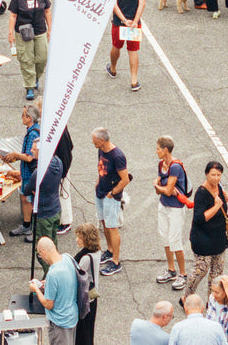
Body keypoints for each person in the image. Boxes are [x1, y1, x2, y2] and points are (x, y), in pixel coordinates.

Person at [151, 136, 190, 290]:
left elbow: (165, 190)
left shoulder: (175, 167)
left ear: (165, 149)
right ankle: (171, 270)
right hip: (164, 205)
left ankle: (183, 274)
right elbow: (162, 189)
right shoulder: (161, 164)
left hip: (176, 208)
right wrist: (160, 187)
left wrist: (158, 187)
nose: (156, 151)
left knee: (175, 240)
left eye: (158, 149)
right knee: (165, 239)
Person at [186, 163, 228, 297]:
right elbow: (199, 218)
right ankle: (187, 296)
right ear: (206, 174)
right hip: (203, 239)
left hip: (218, 238)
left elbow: (225, 200)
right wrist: (217, 206)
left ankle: (212, 300)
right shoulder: (201, 193)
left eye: (218, 175)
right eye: (213, 175)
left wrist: (223, 200)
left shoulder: (219, 187)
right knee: (201, 270)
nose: (216, 178)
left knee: (217, 272)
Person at [0, 104, 42, 237]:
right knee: (25, 198)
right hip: (27, 172)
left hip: (29, 173)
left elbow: (29, 157)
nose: (21, 117)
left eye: (23, 115)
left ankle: (29, 227)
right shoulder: (32, 130)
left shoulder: (33, 133)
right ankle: (27, 224)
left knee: (28, 199)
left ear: (29, 118)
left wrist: (16, 155)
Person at [91, 128, 130, 276]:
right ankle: (109, 250)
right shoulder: (101, 150)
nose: (92, 142)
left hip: (110, 197)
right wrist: (98, 181)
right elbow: (101, 168)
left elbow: (125, 179)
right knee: (104, 223)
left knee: (112, 226)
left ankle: (115, 261)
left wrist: (112, 193)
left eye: (94, 140)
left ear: (102, 140)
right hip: (100, 192)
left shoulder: (117, 156)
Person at [7, 0, 51, 100]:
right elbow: (13, 16)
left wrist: (50, 29)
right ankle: (29, 86)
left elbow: (47, 11)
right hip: (23, 32)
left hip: (39, 30)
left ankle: (36, 76)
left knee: (42, 58)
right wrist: (11, 34)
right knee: (27, 59)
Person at [34, 237, 80, 345]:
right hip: (72, 316)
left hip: (60, 322)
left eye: (40, 255)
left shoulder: (53, 273)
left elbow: (48, 304)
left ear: (43, 252)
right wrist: (47, 283)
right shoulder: (68, 258)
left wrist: (36, 289)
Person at [109, 0, 145, 90]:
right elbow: (142, 3)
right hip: (134, 25)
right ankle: (134, 81)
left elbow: (113, 5)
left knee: (116, 46)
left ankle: (113, 69)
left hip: (119, 23)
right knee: (133, 50)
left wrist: (124, 20)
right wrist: (135, 21)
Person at [72, 222, 103, 345]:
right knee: (89, 332)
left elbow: (77, 276)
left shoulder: (85, 258)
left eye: (80, 237)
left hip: (84, 300)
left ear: (87, 239)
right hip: (92, 298)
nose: (77, 240)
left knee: (82, 334)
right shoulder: (96, 251)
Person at [35, 144, 67, 244]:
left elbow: (28, 189)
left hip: (44, 213)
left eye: (33, 149)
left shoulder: (39, 172)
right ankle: (55, 259)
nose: (31, 151)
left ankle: (48, 260)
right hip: (55, 209)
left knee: (43, 245)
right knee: (53, 241)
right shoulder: (58, 162)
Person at [205, 275, 228, 345]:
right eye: (213, 291)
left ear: (225, 292)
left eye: (217, 292)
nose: (213, 294)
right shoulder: (212, 299)